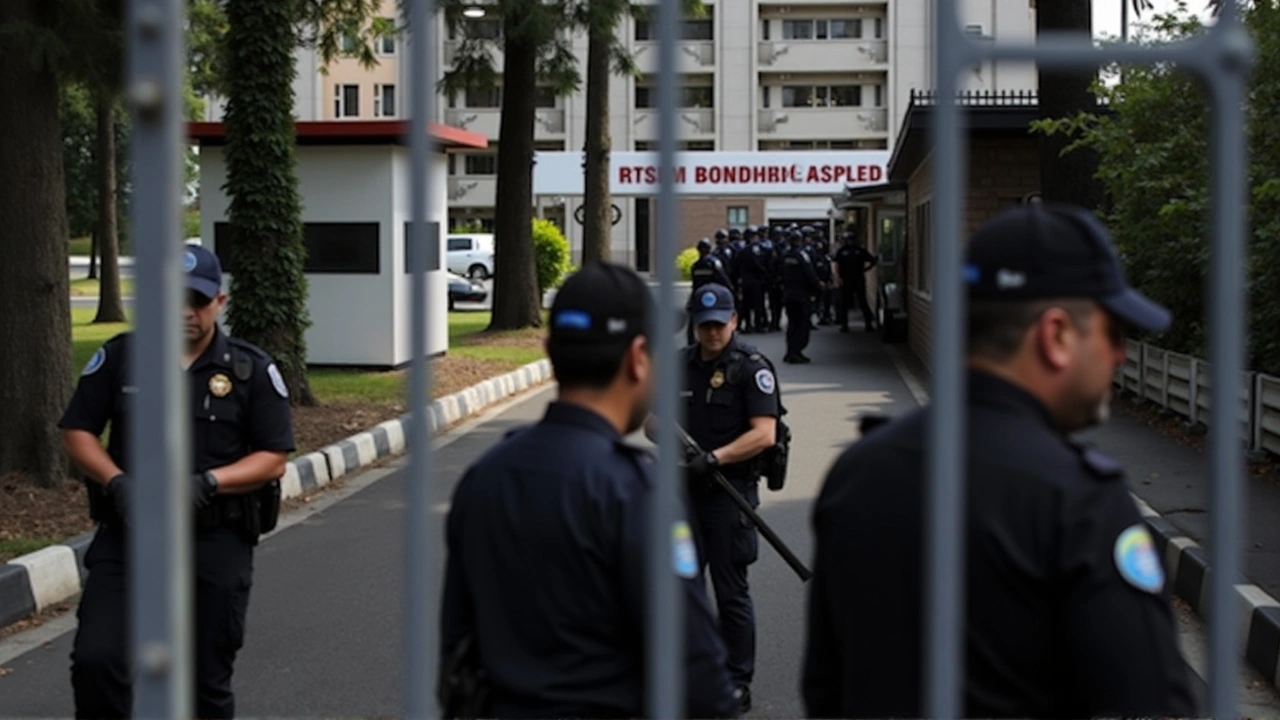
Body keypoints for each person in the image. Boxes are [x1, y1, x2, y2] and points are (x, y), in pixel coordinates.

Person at [802, 203, 1197, 719]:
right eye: (1114, 334)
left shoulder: (859, 471)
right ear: (1056, 335)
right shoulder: (1079, 499)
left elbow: (825, 689)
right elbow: (1151, 702)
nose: (1120, 356)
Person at [439, 261, 739, 719]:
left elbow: (457, 646)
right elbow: (695, 672)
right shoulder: (637, 491)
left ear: (552, 351)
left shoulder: (485, 478)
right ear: (639, 358)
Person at [59, 244, 295, 720]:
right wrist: (116, 481)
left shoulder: (250, 369)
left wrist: (209, 482)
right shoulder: (123, 357)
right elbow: (77, 431)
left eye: (199, 300)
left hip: (215, 536)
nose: (186, 312)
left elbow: (273, 457)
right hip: (130, 536)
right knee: (96, 660)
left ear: (220, 303)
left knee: (204, 679)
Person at [666, 281, 780, 714]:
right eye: (703, 325)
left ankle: (736, 680)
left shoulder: (751, 367)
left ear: (734, 320)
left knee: (731, 592)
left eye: (718, 324)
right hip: (685, 497)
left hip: (730, 496)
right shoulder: (679, 366)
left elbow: (764, 433)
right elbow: (654, 422)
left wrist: (716, 458)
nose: (711, 333)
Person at [781, 230, 821, 364]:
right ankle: (797, 352)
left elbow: (777, 271)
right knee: (802, 326)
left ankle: (790, 352)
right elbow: (809, 274)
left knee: (792, 325)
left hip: (788, 294)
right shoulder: (802, 255)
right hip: (801, 295)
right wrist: (818, 288)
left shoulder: (785, 255)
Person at [688, 238, 734, 345]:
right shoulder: (714, 262)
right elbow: (723, 278)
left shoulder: (695, 266)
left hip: (699, 295)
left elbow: (694, 284)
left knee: (695, 319)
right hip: (714, 295)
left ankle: (692, 341)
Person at [832, 232, 878, 333]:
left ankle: (862, 324)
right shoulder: (856, 250)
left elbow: (873, 261)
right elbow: (873, 261)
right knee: (852, 302)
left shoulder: (854, 250)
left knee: (858, 302)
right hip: (852, 279)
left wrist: (865, 270)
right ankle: (848, 325)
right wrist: (837, 277)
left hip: (853, 279)